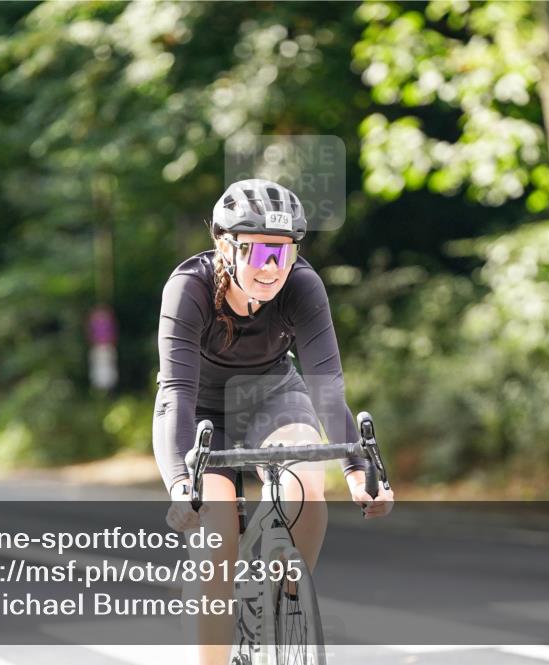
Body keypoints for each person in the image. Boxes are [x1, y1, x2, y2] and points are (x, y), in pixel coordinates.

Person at [152, 178, 394, 665]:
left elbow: (327, 387)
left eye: (284, 253)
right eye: (260, 251)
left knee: (306, 486)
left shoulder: (302, 285)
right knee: (217, 535)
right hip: (200, 410)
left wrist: (359, 471)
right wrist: (181, 484)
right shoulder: (189, 288)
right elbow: (176, 392)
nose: (272, 268)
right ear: (226, 246)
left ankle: (286, 605)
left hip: (273, 396)